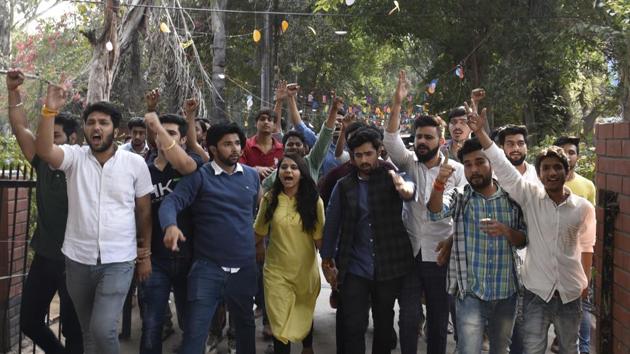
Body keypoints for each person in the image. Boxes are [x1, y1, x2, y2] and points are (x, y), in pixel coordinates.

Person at [467, 101, 596, 354]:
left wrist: (584, 286)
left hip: (570, 294)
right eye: (546, 168)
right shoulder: (530, 197)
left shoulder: (583, 208)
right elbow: (503, 169)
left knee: (570, 348)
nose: (552, 173)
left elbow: (587, 248)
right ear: (539, 174)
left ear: (566, 170)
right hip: (536, 293)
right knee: (533, 349)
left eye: (557, 167)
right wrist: (481, 134)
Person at [35, 82, 153, 354]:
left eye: (103, 123)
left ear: (117, 130)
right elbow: (44, 150)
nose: (96, 128)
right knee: (88, 331)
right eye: (90, 122)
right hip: (77, 259)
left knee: (103, 329)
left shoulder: (134, 164)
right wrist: (49, 110)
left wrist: (144, 254)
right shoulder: (74, 159)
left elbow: (144, 211)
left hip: (118, 260)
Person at [159, 122, 260, 354]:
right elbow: (171, 202)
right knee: (195, 335)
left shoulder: (252, 176)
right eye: (227, 144)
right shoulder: (200, 177)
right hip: (208, 269)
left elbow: (253, 211)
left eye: (237, 143)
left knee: (245, 330)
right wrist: (170, 225)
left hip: (244, 268)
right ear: (213, 149)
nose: (234, 148)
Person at [383, 70, 465, 354]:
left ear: (440, 141)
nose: (422, 142)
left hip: (440, 256)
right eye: (418, 137)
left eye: (428, 137)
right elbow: (391, 139)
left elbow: (453, 211)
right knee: (407, 319)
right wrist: (396, 102)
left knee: (439, 322)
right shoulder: (408, 163)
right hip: (410, 254)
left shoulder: (458, 171)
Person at [6, 69, 84, 354]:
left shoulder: (82, 167)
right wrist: (13, 91)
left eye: (56, 136)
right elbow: (20, 127)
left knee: (75, 330)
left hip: (76, 260)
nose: (46, 142)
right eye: (45, 136)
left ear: (73, 140)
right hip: (45, 255)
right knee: (28, 320)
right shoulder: (42, 161)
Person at [427, 138, 527, 354]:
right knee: (468, 349)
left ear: (492, 162)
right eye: (469, 165)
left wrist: (506, 230)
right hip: (470, 293)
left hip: (505, 291)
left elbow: (524, 240)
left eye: (480, 162)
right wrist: (439, 183)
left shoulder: (512, 198)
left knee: (501, 349)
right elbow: (435, 212)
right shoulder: (460, 197)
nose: (474, 169)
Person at [321, 128, 415, 354]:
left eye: (368, 154)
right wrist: (327, 259)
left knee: (383, 325)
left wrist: (404, 188)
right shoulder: (344, 185)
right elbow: (332, 223)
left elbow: (409, 189)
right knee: (354, 325)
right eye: (358, 155)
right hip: (355, 266)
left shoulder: (392, 176)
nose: (363, 160)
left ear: (379, 152)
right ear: (352, 157)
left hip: (389, 265)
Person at [138, 88, 203, 354]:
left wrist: (157, 120)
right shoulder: (142, 168)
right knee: (152, 325)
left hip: (191, 259)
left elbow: (184, 163)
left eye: (172, 133)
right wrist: (143, 255)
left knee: (192, 324)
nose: (164, 138)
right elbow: (138, 215)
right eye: (160, 132)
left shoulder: (193, 164)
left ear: (183, 140)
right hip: (156, 260)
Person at [254, 153, 325, 354]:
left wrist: (330, 264)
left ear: (302, 174)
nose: (288, 171)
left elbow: (320, 240)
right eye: (284, 167)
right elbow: (258, 232)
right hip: (276, 272)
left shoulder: (314, 201)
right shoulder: (269, 199)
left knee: (303, 311)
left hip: (305, 271)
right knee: (279, 321)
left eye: (294, 168)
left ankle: (307, 347)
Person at [554, 136, 596, 354]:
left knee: (582, 310)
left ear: (577, 157)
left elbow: (591, 228)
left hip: (579, 261)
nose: (567, 156)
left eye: (571, 152)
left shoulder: (587, 186)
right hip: (551, 264)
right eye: (562, 151)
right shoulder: (544, 184)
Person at [260, 91, 339, 191]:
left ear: (305, 148)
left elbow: (325, 137)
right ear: (284, 149)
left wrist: (334, 110)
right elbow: (263, 191)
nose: (294, 147)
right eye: (290, 144)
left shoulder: (311, 162)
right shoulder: (278, 172)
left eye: (298, 144)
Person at [240, 108, 284, 180]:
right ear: (256, 123)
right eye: (262, 119)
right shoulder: (244, 145)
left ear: (275, 126)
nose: (266, 122)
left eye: (269, 120)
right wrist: (254, 170)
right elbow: (237, 168)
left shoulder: (282, 149)